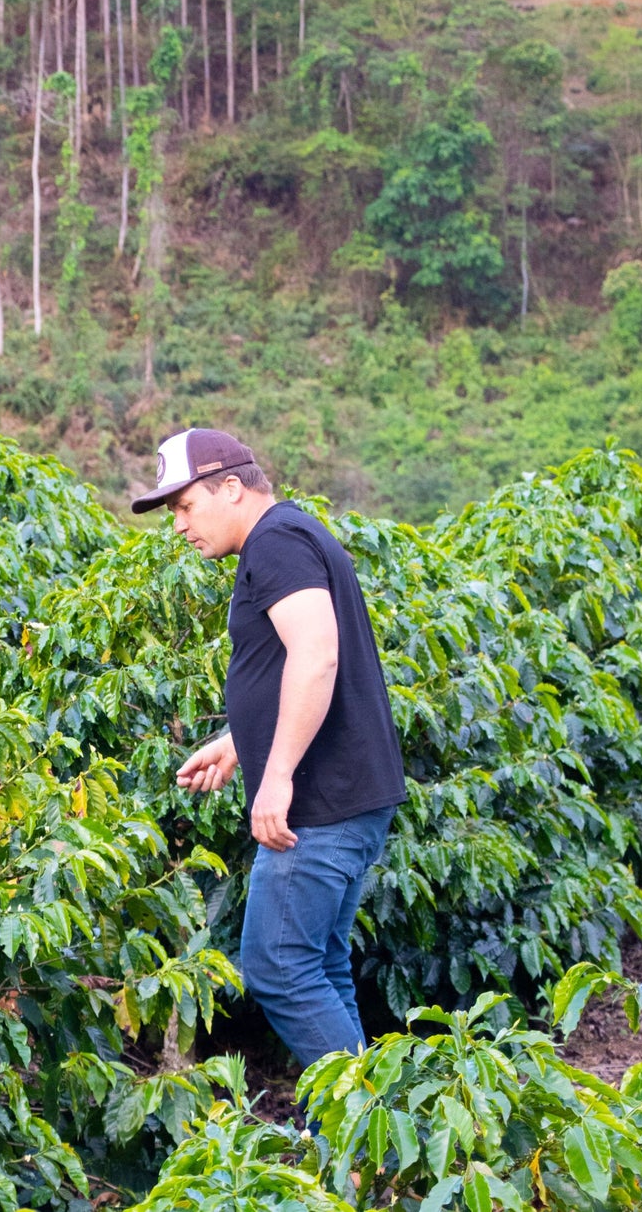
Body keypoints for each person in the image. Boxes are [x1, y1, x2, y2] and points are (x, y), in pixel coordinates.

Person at [131, 428, 406, 1069]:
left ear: (230, 487)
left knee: (279, 967)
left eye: (185, 507)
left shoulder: (276, 544)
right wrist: (240, 742)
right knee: (319, 965)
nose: (178, 526)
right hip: (348, 794)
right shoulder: (290, 535)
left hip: (321, 803)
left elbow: (316, 655)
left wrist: (276, 773)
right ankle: (348, 1136)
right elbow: (293, 664)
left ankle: (364, 1149)